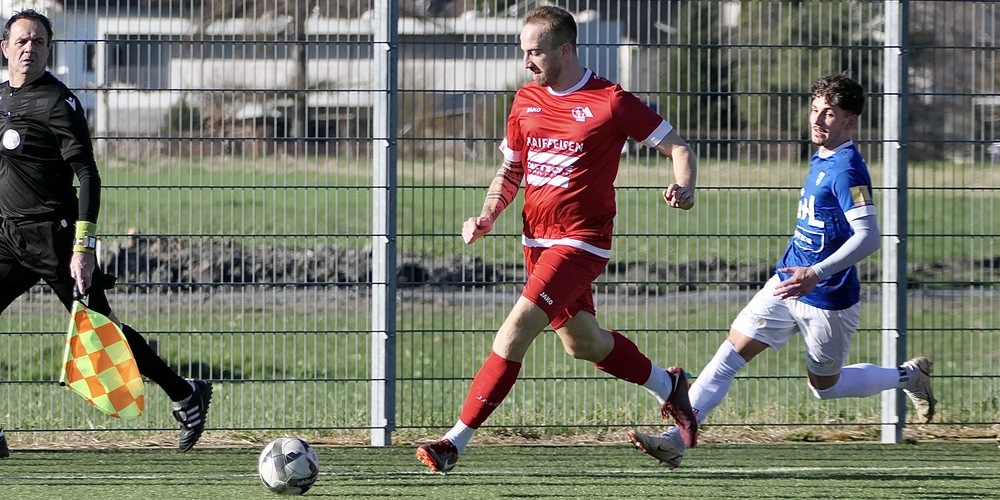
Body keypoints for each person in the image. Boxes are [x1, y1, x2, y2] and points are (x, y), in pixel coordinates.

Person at [416, 6, 699, 473]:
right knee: (583, 343)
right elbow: (512, 169)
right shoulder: (525, 100)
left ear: (564, 50)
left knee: (514, 332)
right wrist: (488, 214)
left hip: (580, 242)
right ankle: (670, 387)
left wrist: (684, 186)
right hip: (536, 242)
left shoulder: (610, 100)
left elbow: (679, 148)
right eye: (524, 52)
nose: (527, 62)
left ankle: (453, 443)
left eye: (535, 52)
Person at [627, 73, 936, 469]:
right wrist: (800, 272)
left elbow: (869, 237)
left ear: (850, 121)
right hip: (786, 281)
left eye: (830, 113)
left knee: (825, 388)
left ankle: (908, 377)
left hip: (827, 296)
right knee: (730, 354)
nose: (818, 120)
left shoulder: (847, 170)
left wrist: (817, 273)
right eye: (815, 110)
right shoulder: (822, 155)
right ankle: (675, 440)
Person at [0, 9, 212, 458]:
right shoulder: (1, 98)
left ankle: (185, 393)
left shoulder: (58, 103)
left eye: (37, 42)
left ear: (47, 49)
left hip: (55, 240)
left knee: (103, 334)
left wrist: (84, 246)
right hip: (8, 239)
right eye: (21, 41)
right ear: (5, 48)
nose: (28, 49)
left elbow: (88, 176)